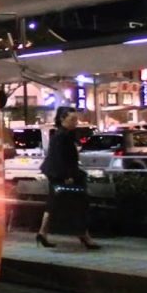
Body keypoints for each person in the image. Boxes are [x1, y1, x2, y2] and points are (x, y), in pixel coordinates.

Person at [38, 106, 101, 249]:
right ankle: (84, 235)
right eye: (72, 119)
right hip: (64, 175)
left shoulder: (60, 134)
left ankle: (43, 232)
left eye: (76, 119)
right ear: (62, 119)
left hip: (56, 173)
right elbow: (62, 158)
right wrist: (68, 176)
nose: (75, 122)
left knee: (54, 203)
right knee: (78, 205)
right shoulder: (63, 136)